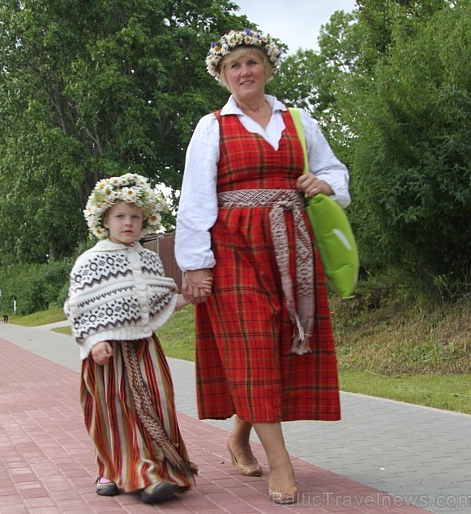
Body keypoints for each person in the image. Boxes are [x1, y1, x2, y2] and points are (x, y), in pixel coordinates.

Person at [174, 29, 350, 505]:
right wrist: (194, 265)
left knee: (276, 346)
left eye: (251, 62)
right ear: (223, 76)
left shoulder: (298, 120)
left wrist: (325, 185)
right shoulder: (212, 126)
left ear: (267, 68)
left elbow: (336, 171)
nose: (244, 72)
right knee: (252, 344)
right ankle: (281, 464)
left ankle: (239, 435)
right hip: (233, 248)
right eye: (234, 66)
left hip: (293, 246)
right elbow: (194, 201)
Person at [64, 173, 208, 504]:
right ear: (104, 219)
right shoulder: (91, 261)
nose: (128, 223)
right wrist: (95, 340)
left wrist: (190, 296)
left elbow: (161, 297)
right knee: (114, 410)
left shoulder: (148, 258)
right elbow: (80, 308)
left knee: (157, 403)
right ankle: (113, 470)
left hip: (145, 347)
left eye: (135, 216)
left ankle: (157, 471)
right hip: (107, 352)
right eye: (120, 216)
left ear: (144, 220)